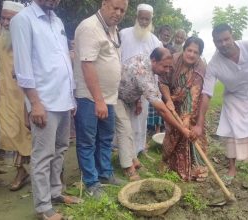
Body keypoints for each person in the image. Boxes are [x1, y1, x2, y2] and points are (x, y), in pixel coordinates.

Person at [11, 1, 82, 219]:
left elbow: (62, 61)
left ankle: (55, 192)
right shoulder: (22, 19)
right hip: (44, 101)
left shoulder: (57, 20)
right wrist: (35, 103)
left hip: (63, 99)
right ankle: (43, 207)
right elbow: (23, 67)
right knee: (43, 155)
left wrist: (71, 98)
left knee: (60, 149)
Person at [192, 24, 248, 185]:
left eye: (226, 39)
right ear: (214, 42)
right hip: (233, 99)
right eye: (219, 41)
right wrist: (199, 123)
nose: (224, 44)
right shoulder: (214, 64)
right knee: (232, 133)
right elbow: (207, 93)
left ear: (232, 36)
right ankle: (232, 168)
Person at [74, 0, 128, 199]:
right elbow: (87, 66)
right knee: (87, 141)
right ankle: (91, 182)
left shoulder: (113, 29)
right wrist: (98, 100)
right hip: (90, 98)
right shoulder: (90, 27)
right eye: (115, 7)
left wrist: (106, 99)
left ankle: (105, 174)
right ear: (104, 4)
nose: (119, 12)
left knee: (105, 138)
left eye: (122, 10)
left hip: (109, 98)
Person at [116, 47, 191, 181]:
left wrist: (138, 100)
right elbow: (161, 110)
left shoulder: (147, 61)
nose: (167, 70)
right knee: (125, 130)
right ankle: (128, 168)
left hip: (128, 97)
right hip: (116, 97)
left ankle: (133, 159)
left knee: (130, 130)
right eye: (165, 67)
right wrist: (182, 130)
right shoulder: (143, 72)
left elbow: (134, 82)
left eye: (169, 67)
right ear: (154, 61)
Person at [159, 36, 208, 181]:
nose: (191, 54)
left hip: (193, 106)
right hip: (173, 104)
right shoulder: (172, 60)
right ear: (184, 49)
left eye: (196, 52)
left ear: (199, 55)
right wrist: (168, 100)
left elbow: (197, 93)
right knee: (173, 132)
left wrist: (186, 118)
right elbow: (163, 82)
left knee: (190, 133)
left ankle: (195, 169)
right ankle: (168, 162)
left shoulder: (201, 68)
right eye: (189, 50)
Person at [0, 0, 30, 191]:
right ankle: (21, 169)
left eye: (11, 19)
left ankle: (23, 171)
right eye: (4, 18)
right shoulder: (0, 40)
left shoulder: (28, 38)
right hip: (5, 96)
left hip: (26, 97)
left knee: (26, 133)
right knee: (8, 133)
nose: (6, 23)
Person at [119, 3, 162, 156]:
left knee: (140, 120)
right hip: (123, 89)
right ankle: (123, 151)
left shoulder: (155, 41)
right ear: (136, 17)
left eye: (147, 19)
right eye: (141, 18)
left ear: (151, 20)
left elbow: (157, 68)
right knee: (124, 122)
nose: (144, 22)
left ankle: (139, 149)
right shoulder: (123, 34)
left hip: (143, 90)